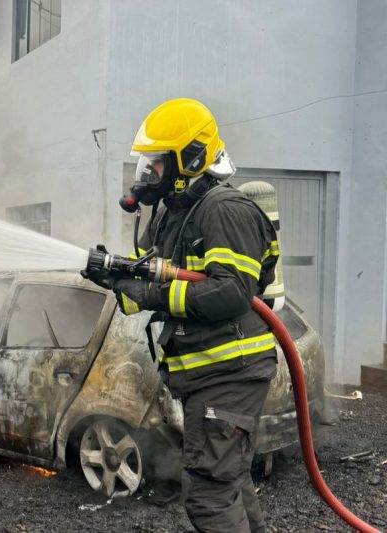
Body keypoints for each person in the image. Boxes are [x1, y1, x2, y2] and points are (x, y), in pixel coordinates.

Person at [108, 98, 280, 532]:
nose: (149, 173)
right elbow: (152, 275)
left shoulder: (223, 210)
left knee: (208, 495)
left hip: (229, 373)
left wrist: (148, 293)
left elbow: (230, 293)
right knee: (228, 482)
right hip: (213, 373)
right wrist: (112, 277)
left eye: (158, 163)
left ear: (191, 158)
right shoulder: (175, 212)